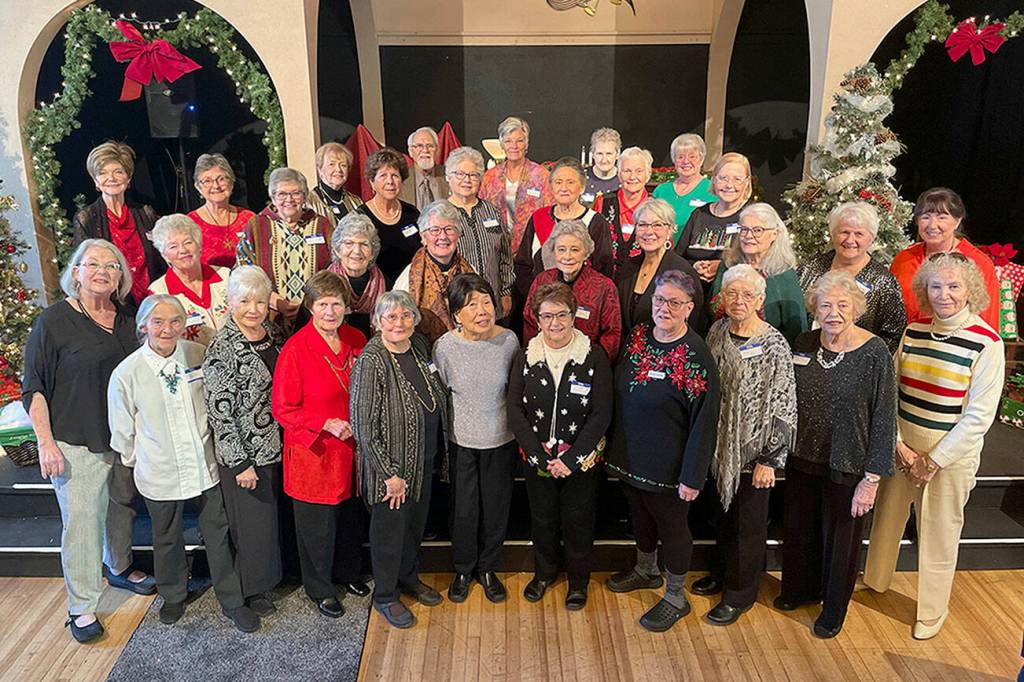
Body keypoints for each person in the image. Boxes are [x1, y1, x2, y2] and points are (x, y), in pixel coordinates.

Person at [863, 254, 1004, 640]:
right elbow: (890, 392)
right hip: (904, 448)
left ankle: (932, 610)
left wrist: (934, 460)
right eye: (936, 286)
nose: (944, 294)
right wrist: (898, 444)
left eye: (954, 286)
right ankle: (875, 580)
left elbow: (979, 417)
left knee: (939, 533)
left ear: (971, 290)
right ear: (924, 290)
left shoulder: (987, 343)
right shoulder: (913, 331)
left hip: (949, 457)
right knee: (886, 519)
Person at [22, 239, 155, 644]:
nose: (102, 271)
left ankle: (119, 567)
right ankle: (81, 607)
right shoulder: (54, 321)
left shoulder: (129, 318)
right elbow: (34, 387)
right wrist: (45, 442)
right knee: (82, 523)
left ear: (121, 276)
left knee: (120, 509)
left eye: (112, 266)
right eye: (93, 264)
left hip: (122, 437)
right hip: (74, 438)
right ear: (76, 272)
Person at [107, 295, 259, 632]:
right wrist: (142, 460)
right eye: (158, 322)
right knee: (165, 537)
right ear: (143, 326)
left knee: (217, 533)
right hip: (158, 470)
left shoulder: (197, 355)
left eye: (175, 321)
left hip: (204, 466)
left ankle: (232, 599)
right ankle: (173, 595)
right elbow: (122, 433)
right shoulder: (127, 373)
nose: (167, 329)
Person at [777, 271, 896, 639]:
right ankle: (798, 590)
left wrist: (871, 480)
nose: (833, 313)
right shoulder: (804, 342)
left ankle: (832, 610)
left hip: (849, 461)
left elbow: (884, 417)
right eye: (825, 305)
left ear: (856, 309)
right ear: (815, 309)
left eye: (842, 305)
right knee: (800, 529)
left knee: (841, 541)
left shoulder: (874, 352)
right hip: (802, 456)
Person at [605, 270, 721, 632]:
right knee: (639, 516)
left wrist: (692, 475)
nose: (664, 308)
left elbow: (705, 421)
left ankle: (675, 597)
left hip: (670, 465)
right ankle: (646, 570)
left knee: (672, 528)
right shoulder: (639, 335)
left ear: (689, 308)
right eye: (659, 299)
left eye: (674, 302)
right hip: (630, 455)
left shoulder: (696, 354)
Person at [695, 264, 796, 626]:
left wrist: (770, 458)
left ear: (760, 299)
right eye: (731, 293)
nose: (738, 301)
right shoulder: (717, 331)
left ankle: (740, 594)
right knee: (722, 518)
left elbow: (784, 401)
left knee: (748, 527)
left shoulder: (774, 344)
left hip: (755, 453)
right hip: (720, 448)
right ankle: (722, 574)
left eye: (747, 295)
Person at [508, 282, 613, 609]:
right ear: (537, 319)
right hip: (538, 459)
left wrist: (573, 457)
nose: (555, 323)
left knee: (578, 521)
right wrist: (538, 455)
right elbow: (514, 409)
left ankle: (578, 581)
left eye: (562, 314)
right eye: (547, 316)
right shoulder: (525, 356)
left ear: (574, 315)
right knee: (542, 519)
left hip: (580, 460)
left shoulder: (593, 356)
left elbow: (602, 413)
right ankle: (544, 573)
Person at [271, 271, 369, 618]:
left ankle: (348, 573)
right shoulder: (295, 349)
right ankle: (320, 588)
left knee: (350, 520)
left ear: (346, 307)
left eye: (337, 304)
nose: (330, 312)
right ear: (310, 307)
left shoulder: (357, 338)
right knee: (318, 528)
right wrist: (325, 423)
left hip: (352, 450)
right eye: (323, 304)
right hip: (315, 452)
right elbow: (283, 409)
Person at [350, 291, 450, 629]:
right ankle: (385, 595)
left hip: (422, 461)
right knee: (389, 536)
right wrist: (389, 475)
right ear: (378, 322)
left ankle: (408, 578)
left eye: (406, 315)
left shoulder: (418, 346)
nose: (399, 323)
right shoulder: (371, 360)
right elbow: (363, 426)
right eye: (391, 317)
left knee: (413, 529)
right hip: (390, 471)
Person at [203, 266, 286, 617]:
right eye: (245, 301)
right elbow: (220, 412)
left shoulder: (272, 333)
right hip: (246, 454)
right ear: (230, 303)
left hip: (277, 446)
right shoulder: (222, 348)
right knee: (252, 527)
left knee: (269, 522)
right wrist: (240, 463)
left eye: (260, 302)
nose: (253, 309)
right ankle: (252, 590)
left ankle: (272, 578)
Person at [432, 274, 520, 604]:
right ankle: (463, 569)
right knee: (464, 510)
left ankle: (488, 568)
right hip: (462, 442)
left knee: (496, 508)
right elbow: (442, 391)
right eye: (472, 305)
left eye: (486, 302)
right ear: (456, 313)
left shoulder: (509, 341)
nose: (482, 311)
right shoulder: (444, 347)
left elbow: (515, 391)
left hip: (501, 439)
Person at [797, 201, 907, 353]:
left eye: (859, 234)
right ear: (833, 234)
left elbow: (893, 335)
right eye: (844, 232)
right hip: (806, 356)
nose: (850, 240)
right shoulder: (809, 268)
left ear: (871, 238)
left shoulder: (884, 281)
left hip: (859, 363)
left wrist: (865, 360)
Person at [236, 167, 333, 333]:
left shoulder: (321, 225)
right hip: (269, 318)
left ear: (305, 196)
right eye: (281, 194)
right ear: (273, 198)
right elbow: (242, 271)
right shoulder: (257, 226)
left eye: (296, 193)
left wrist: (314, 301)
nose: (289, 199)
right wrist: (272, 299)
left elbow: (335, 268)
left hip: (316, 317)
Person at [890, 187, 1000, 330]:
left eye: (942, 217)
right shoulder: (903, 259)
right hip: (908, 339)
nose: (932, 225)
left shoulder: (979, 263)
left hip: (958, 341)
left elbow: (988, 324)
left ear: (957, 221)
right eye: (925, 217)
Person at [73, 141, 163, 303]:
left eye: (118, 172)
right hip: (112, 302)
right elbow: (86, 268)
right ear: (95, 181)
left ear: (128, 178)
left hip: (152, 298)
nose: (111, 178)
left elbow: (160, 257)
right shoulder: (86, 218)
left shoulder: (145, 212)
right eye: (103, 173)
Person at [708, 203, 807, 345]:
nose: (748, 236)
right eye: (744, 229)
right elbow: (711, 310)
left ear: (774, 234)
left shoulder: (783, 273)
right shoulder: (728, 265)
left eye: (758, 230)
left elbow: (796, 327)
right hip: (721, 342)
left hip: (768, 349)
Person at [515, 157, 613, 299]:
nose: (564, 188)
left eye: (570, 182)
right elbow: (522, 265)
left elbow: (604, 270)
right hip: (541, 301)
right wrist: (536, 298)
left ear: (582, 187)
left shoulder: (596, 222)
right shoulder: (538, 218)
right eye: (558, 182)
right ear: (551, 187)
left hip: (584, 302)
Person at [523, 220, 622, 360]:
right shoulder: (542, 280)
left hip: (586, 362)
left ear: (586, 253)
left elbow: (612, 335)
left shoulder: (604, 287)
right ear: (554, 252)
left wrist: (595, 363)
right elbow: (530, 323)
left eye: (575, 250)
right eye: (561, 249)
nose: (567, 257)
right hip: (546, 359)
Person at [616, 198, 705, 337]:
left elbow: (695, 323)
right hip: (628, 347)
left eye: (657, 225)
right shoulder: (628, 267)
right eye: (642, 225)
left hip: (666, 348)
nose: (649, 231)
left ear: (669, 230)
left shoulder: (683, 272)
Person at [445, 146, 514, 319]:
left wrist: (505, 291)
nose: (467, 180)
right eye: (460, 174)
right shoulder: (441, 214)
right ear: (448, 177)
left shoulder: (492, 211)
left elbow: (505, 255)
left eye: (473, 175)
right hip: (459, 303)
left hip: (492, 301)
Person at [394, 200, 475, 345]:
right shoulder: (408, 279)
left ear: (458, 234)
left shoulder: (470, 272)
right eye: (435, 230)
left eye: (449, 229)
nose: (443, 236)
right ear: (423, 236)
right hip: (424, 352)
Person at [147, 214, 230, 347]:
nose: (183, 250)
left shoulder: (226, 276)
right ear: (164, 255)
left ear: (199, 245)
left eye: (188, 242)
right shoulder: (159, 293)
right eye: (173, 246)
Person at [675, 152, 753, 288]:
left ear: (746, 183)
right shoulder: (699, 214)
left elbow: (756, 262)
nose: (729, 185)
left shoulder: (752, 216)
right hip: (693, 289)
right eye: (723, 178)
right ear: (714, 180)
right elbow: (678, 257)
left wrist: (722, 267)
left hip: (732, 293)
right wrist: (694, 266)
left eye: (737, 179)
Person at [480, 116, 553, 252]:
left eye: (519, 141)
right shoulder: (490, 177)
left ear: (526, 144)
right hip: (497, 248)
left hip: (532, 246)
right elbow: (481, 213)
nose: (514, 146)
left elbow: (551, 214)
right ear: (502, 144)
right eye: (508, 141)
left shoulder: (541, 175)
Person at [356, 147, 422, 284]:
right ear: (372, 182)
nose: (390, 181)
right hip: (376, 291)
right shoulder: (360, 218)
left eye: (395, 175)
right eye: (383, 176)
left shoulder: (412, 213)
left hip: (411, 289)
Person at [187, 153, 255, 268]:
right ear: (198, 187)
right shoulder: (189, 223)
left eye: (221, 179)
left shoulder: (249, 218)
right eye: (207, 181)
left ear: (232, 183)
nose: (216, 185)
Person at [327, 212, 387, 338]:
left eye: (364, 244)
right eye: (349, 243)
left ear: (372, 252)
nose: (357, 251)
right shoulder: (322, 286)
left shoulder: (387, 286)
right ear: (337, 250)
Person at [596, 146, 654, 275]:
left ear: (648, 174)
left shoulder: (656, 208)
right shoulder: (602, 202)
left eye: (639, 171)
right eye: (627, 171)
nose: (632, 176)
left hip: (642, 278)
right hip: (605, 277)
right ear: (619, 174)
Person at [652, 134, 716, 239]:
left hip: (694, 248)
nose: (686, 161)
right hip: (663, 247)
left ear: (701, 159)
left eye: (692, 157)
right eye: (680, 157)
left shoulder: (712, 190)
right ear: (674, 160)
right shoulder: (661, 191)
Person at [308, 142, 364, 227]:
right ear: (320, 169)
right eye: (331, 164)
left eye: (343, 165)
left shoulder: (356, 202)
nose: (338, 169)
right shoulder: (309, 202)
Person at [399, 126, 451, 209]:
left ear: (437, 151)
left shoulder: (449, 176)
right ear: (410, 152)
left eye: (430, 146)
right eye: (419, 146)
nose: (425, 150)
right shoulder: (401, 180)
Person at [582, 127, 621, 208]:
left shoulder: (624, 180)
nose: (604, 160)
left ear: (617, 154)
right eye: (599, 154)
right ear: (593, 154)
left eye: (609, 154)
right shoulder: (581, 178)